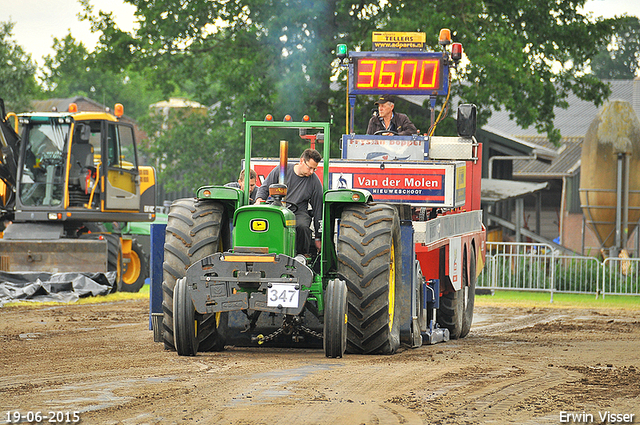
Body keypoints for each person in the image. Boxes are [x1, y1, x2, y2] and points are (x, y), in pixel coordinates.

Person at [254, 148, 323, 254]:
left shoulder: (314, 182)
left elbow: (318, 210)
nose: (311, 172)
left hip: (299, 211)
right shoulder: (282, 170)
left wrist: (319, 237)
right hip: (277, 208)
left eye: (314, 169)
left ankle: (301, 256)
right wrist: (259, 200)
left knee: (303, 227)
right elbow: (265, 187)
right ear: (301, 161)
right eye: (310, 168)